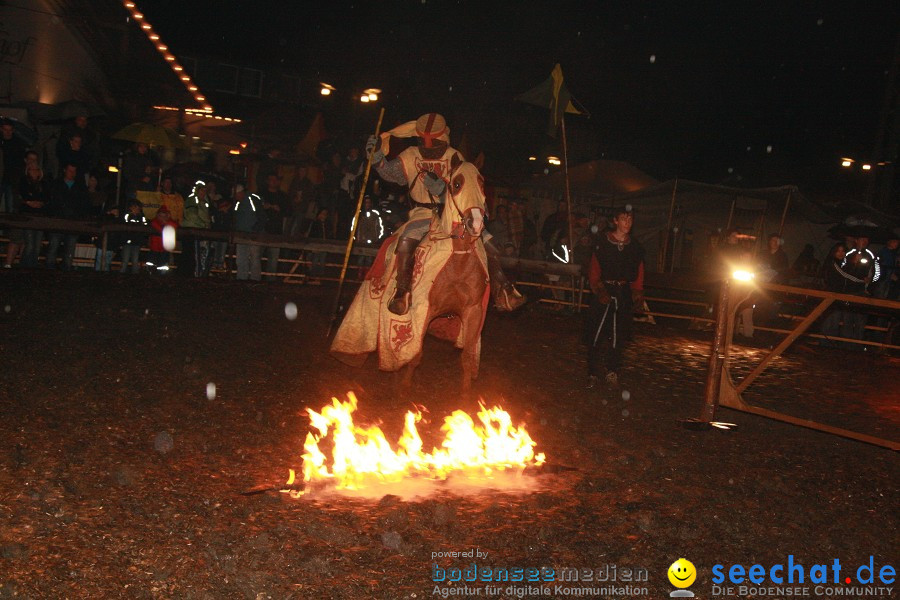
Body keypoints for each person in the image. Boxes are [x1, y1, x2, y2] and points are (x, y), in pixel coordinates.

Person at [368, 112, 525, 314]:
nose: (429, 149)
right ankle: (402, 292)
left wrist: (442, 191)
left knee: (490, 244)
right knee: (407, 241)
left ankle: (504, 290)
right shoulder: (411, 154)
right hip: (422, 213)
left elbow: (465, 187)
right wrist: (377, 157)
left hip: (452, 213)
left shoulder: (454, 156)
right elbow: (392, 174)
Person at [585, 208, 645, 388]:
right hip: (604, 290)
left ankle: (612, 371)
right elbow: (594, 268)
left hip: (623, 292)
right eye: (623, 219)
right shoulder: (602, 243)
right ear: (615, 221)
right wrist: (599, 289)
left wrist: (637, 292)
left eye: (630, 219)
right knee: (596, 334)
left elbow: (639, 270)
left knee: (618, 335)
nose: (627, 222)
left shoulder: (635, 247)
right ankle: (593, 373)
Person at [45, 163, 90, 270]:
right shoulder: (56, 184)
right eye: (70, 171)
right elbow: (51, 202)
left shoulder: (80, 186)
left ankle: (66, 270)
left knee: (70, 249)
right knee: (53, 246)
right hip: (58, 221)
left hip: (73, 222)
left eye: (74, 171)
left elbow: (84, 204)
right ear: (65, 170)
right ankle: (49, 269)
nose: (72, 173)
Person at [258, 173, 289, 281]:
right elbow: (255, 208)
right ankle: (256, 277)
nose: (274, 182)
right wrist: (263, 207)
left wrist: (279, 209)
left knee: (273, 258)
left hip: (276, 230)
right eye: (271, 180)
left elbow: (289, 212)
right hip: (263, 229)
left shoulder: (282, 196)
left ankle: (270, 280)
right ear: (268, 181)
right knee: (257, 256)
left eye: (275, 180)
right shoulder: (261, 194)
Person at [232, 184, 264, 281]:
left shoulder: (252, 199)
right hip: (241, 235)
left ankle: (255, 279)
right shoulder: (238, 203)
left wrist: (256, 230)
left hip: (253, 234)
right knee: (241, 258)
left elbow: (261, 216)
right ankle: (242, 278)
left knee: (254, 258)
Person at [18, 163, 48, 268]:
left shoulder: (43, 184)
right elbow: (24, 195)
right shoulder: (24, 182)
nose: (34, 171)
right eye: (32, 169)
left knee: (37, 245)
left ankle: (33, 267)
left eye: (37, 169)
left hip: (40, 216)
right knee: (29, 244)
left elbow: (46, 198)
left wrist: (39, 203)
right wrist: (30, 202)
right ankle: (24, 266)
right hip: (28, 216)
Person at [181, 180, 212, 277]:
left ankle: (199, 273)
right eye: (201, 191)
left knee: (201, 254)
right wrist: (203, 224)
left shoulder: (205, 202)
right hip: (192, 231)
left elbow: (207, 216)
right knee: (192, 255)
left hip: (201, 232)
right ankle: (192, 274)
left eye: (204, 191)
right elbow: (192, 216)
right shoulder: (192, 200)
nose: (203, 193)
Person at [118, 199, 148, 274]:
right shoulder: (127, 215)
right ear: (131, 207)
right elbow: (124, 225)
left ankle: (135, 276)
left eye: (138, 208)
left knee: (135, 260)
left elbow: (145, 226)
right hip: (127, 241)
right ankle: (121, 275)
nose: (137, 209)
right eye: (135, 207)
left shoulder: (142, 216)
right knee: (125, 260)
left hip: (137, 241)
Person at [147, 205, 176, 273]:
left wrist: (167, 222)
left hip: (164, 249)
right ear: (158, 215)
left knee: (163, 267)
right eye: (160, 215)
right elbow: (158, 228)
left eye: (164, 215)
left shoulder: (170, 222)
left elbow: (174, 225)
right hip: (154, 248)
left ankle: (162, 277)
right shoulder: (154, 222)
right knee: (151, 264)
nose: (162, 217)